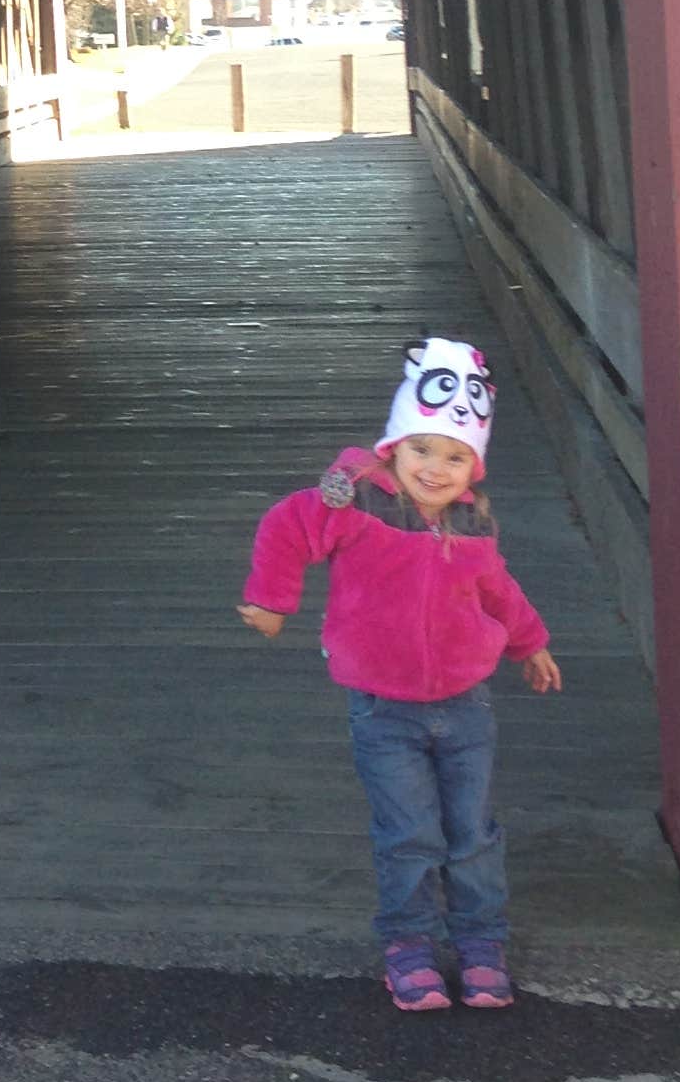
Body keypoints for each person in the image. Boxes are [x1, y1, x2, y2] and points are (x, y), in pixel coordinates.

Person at [237, 336, 562, 1011]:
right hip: (383, 708)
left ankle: (480, 943)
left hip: (467, 705)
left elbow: (498, 590)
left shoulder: (473, 521)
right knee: (410, 832)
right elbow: (285, 529)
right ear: (393, 447)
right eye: (421, 449)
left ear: (474, 465)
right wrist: (272, 601)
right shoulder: (357, 507)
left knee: (472, 830)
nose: (436, 469)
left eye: (455, 456)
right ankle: (408, 946)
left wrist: (529, 645)